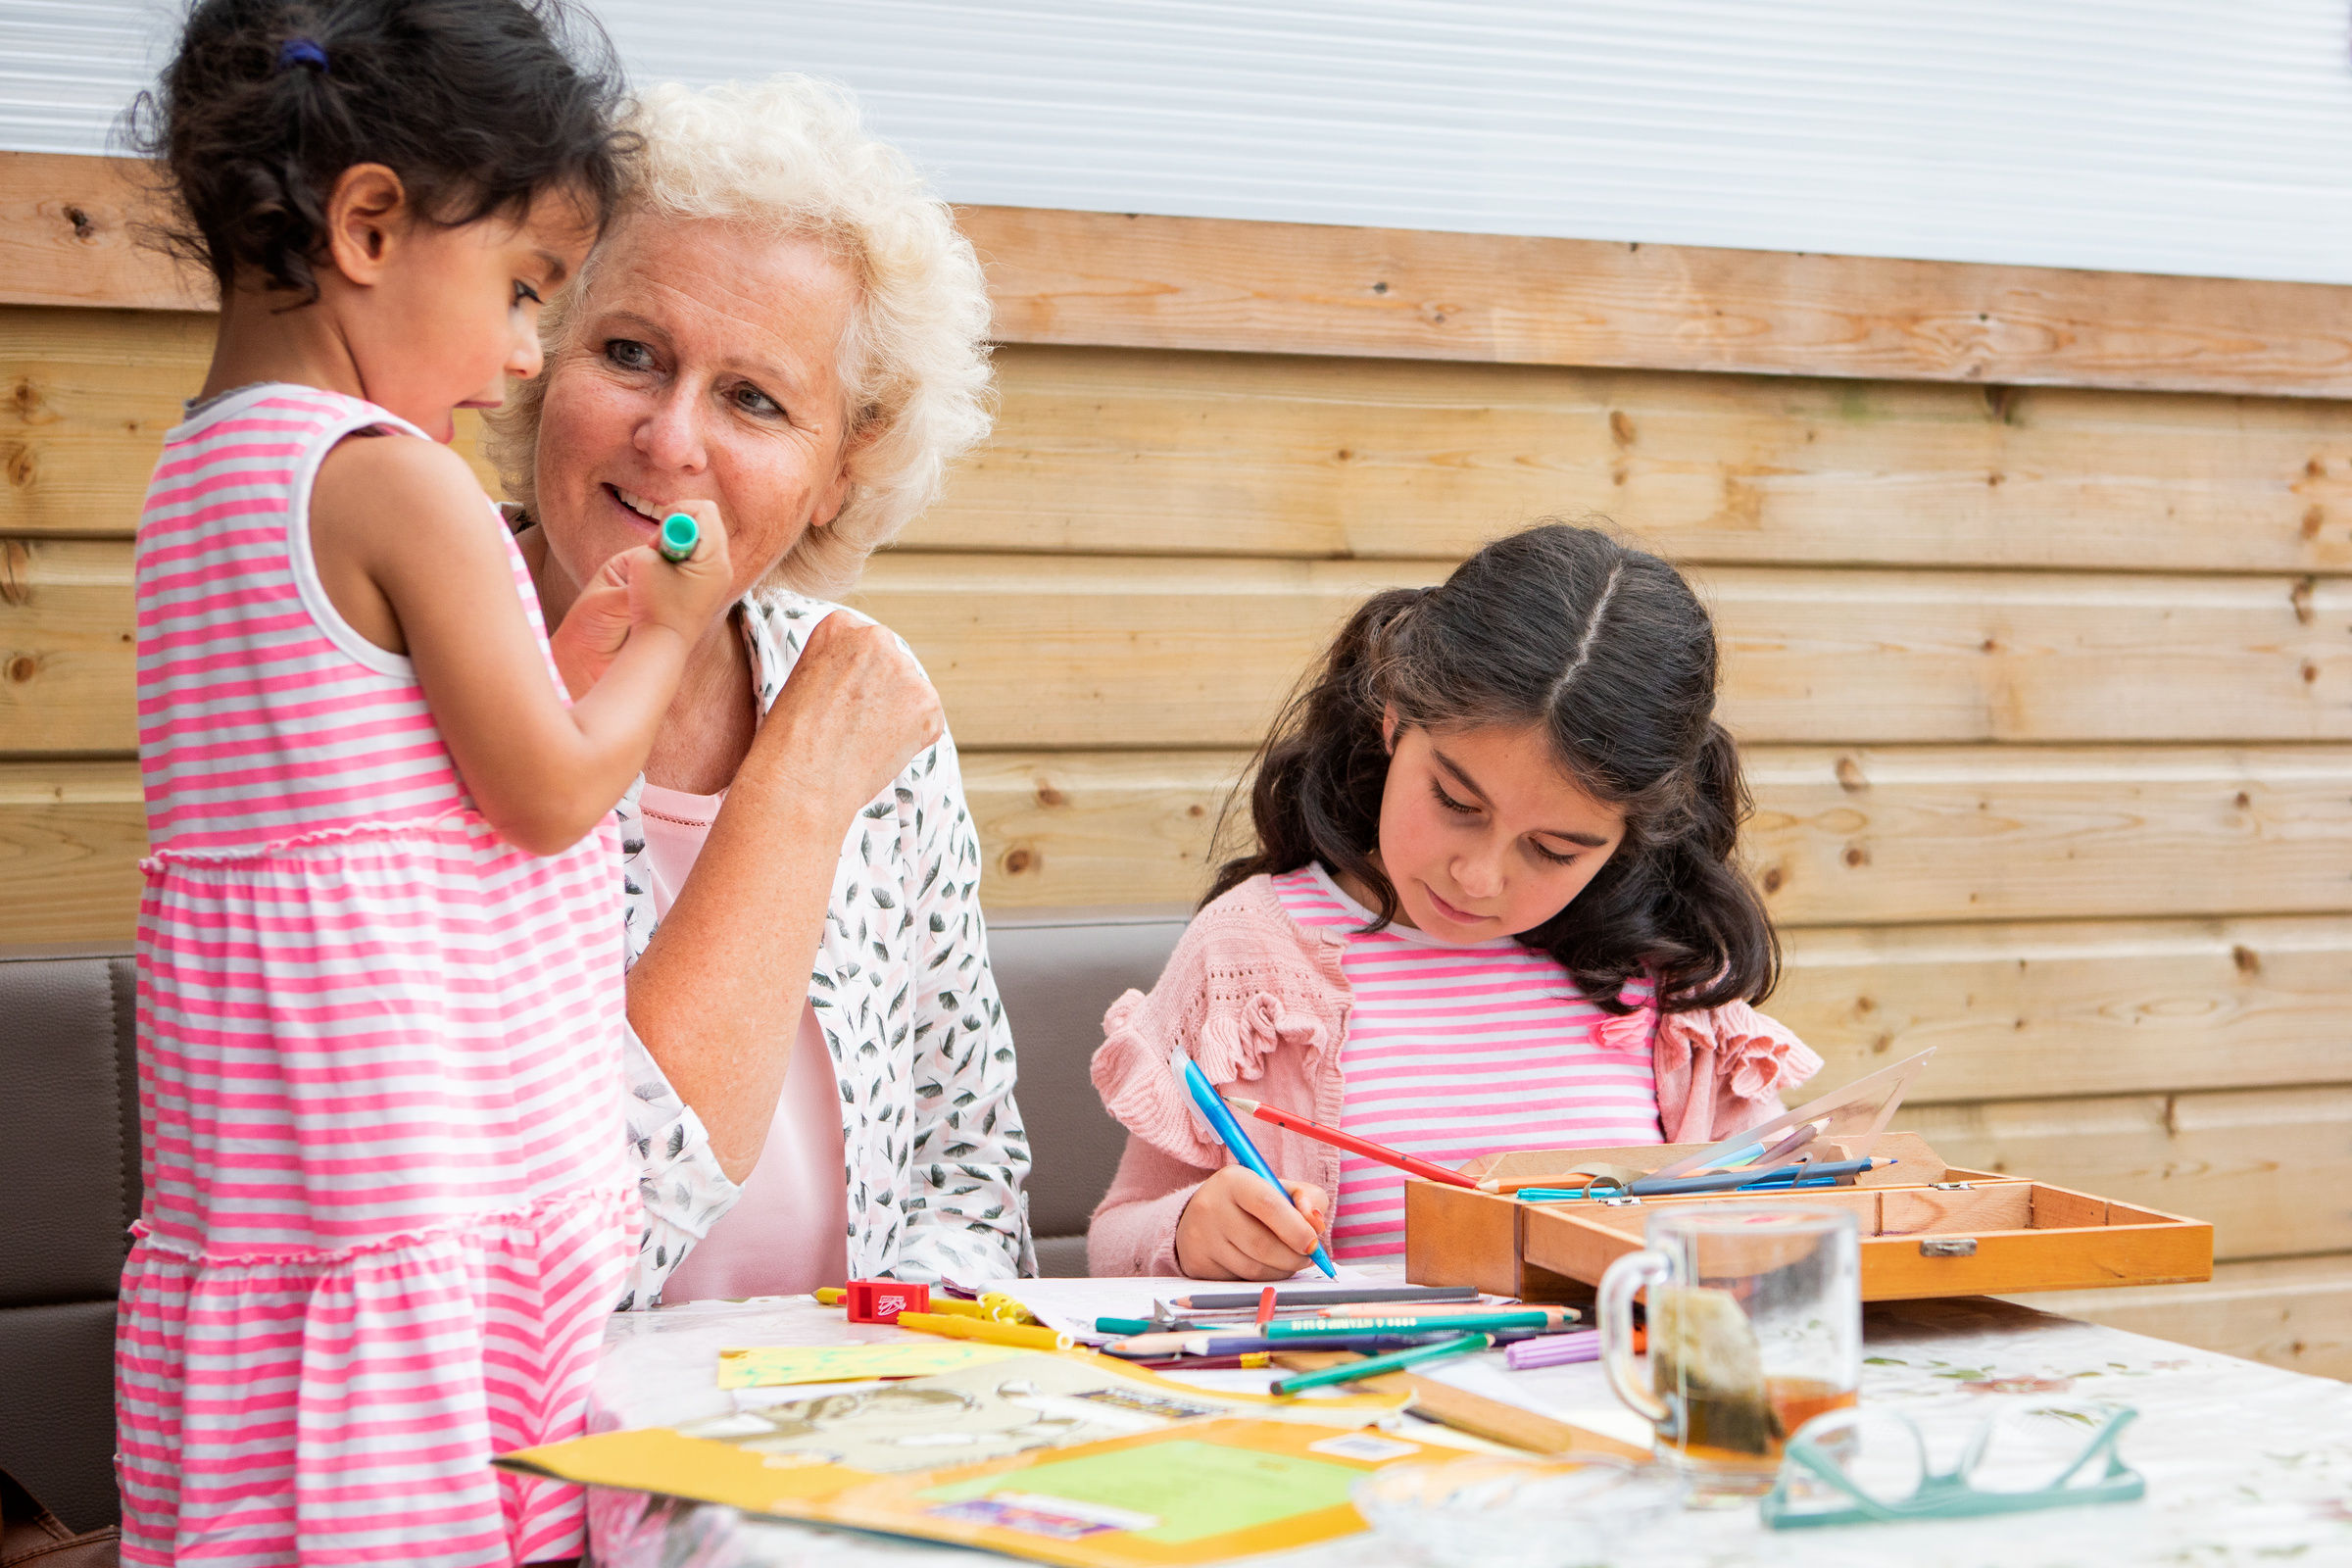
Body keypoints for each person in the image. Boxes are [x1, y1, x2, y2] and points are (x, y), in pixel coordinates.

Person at [120, 4, 736, 1562]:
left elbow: (376, 767)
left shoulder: (198, 471)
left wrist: (569, 655)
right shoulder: (394, 478)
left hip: (276, 1179)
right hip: (422, 1163)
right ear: (371, 226)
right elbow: (545, 796)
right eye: (523, 287)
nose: (525, 354)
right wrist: (671, 636)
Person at [486, 75, 1033, 1305]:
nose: (671, 438)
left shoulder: (862, 700)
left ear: (843, 469)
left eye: (754, 399)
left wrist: (884, 1382)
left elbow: (969, 1179)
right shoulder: (424, 674)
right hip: (555, 1419)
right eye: (631, 354)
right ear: (540, 356)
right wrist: (787, 802)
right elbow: (562, 1266)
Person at [1087, 523, 1825, 1279]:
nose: (1479, 877)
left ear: (1631, 836)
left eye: (1554, 850)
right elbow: (1114, 1242)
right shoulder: (1250, 957)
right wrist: (1192, 1232)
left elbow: (1787, 1219)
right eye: (1455, 802)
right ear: (1394, 716)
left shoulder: (1669, 980)